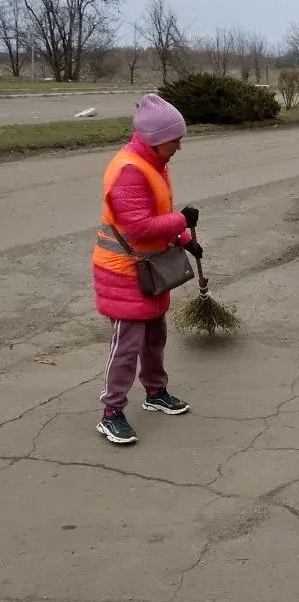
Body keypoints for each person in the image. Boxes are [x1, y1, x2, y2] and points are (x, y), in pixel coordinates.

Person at [92, 94, 201, 445]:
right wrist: (181, 219)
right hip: (122, 273)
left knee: (155, 337)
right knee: (127, 345)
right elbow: (139, 227)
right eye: (176, 140)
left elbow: (157, 214)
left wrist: (184, 238)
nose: (180, 147)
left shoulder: (155, 164)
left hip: (149, 271)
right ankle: (111, 413)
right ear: (156, 140)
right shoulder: (129, 171)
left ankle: (156, 393)